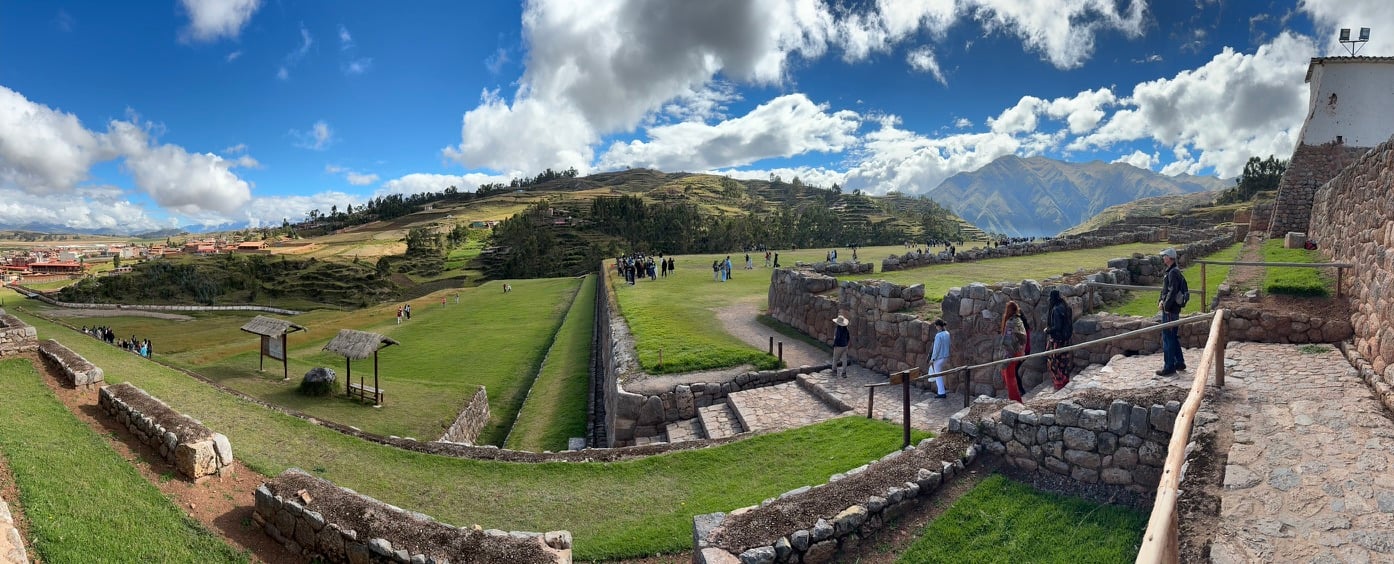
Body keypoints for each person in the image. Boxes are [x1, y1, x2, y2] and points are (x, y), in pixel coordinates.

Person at [1157, 248, 1187, 376]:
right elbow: (1166, 289)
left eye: (1165, 256)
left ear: (1170, 258)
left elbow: (1172, 291)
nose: (1163, 258)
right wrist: (1160, 300)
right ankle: (1179, 362)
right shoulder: (1173, 271)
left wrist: (1166, 306)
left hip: (1170, 310)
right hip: (1172, 309)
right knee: (1172, 336)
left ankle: (1169, 366)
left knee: (1168, 337)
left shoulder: (1173, 272)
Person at [1000, 300, 1030, 402]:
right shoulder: (1019, 320)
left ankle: (1015, 400)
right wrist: (1021, 349)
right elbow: (1023, 337)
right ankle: (1015, 398)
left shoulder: (1010, 322)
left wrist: (1006, 355)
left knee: (1009, 376)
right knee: (1010, 375)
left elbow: (1007, 341)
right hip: (1018, 352)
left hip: (1011, 353)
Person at [1045, 289, 1074, 390]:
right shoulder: (1066, 307)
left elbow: (1057, 327)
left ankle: (1059, 383)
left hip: (1057, 340)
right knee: (1064, 361)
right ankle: (1065, 380)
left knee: (1054, 362)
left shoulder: (1056, 309)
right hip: (1066, 339)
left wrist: (1048, 330)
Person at [928, 318, 950, 398]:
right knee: (939, 374)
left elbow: (936, 349)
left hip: (939, 358)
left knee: (938, 375)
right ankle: (941, 391)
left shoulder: (938, 335)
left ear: (938, 326)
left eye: (936, 326)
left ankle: (941, 392)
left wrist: (932, 359)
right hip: (945, 357)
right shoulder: (947, 333)